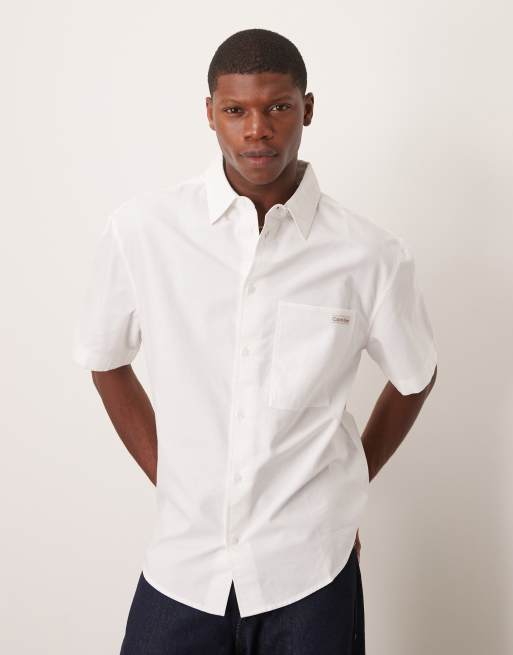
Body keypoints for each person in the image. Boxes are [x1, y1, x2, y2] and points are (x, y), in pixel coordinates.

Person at [72, 27, 438, 655]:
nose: (257, 130)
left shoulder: (370, 254)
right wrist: (174, 478)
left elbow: (415, 376)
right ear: (209, 113)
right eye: (236, 110)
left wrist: (345, 489)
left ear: (308, 109)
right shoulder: (143, 232)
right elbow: (106, 360)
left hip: (311, 571)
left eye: (278, 107)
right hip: (184, 567)